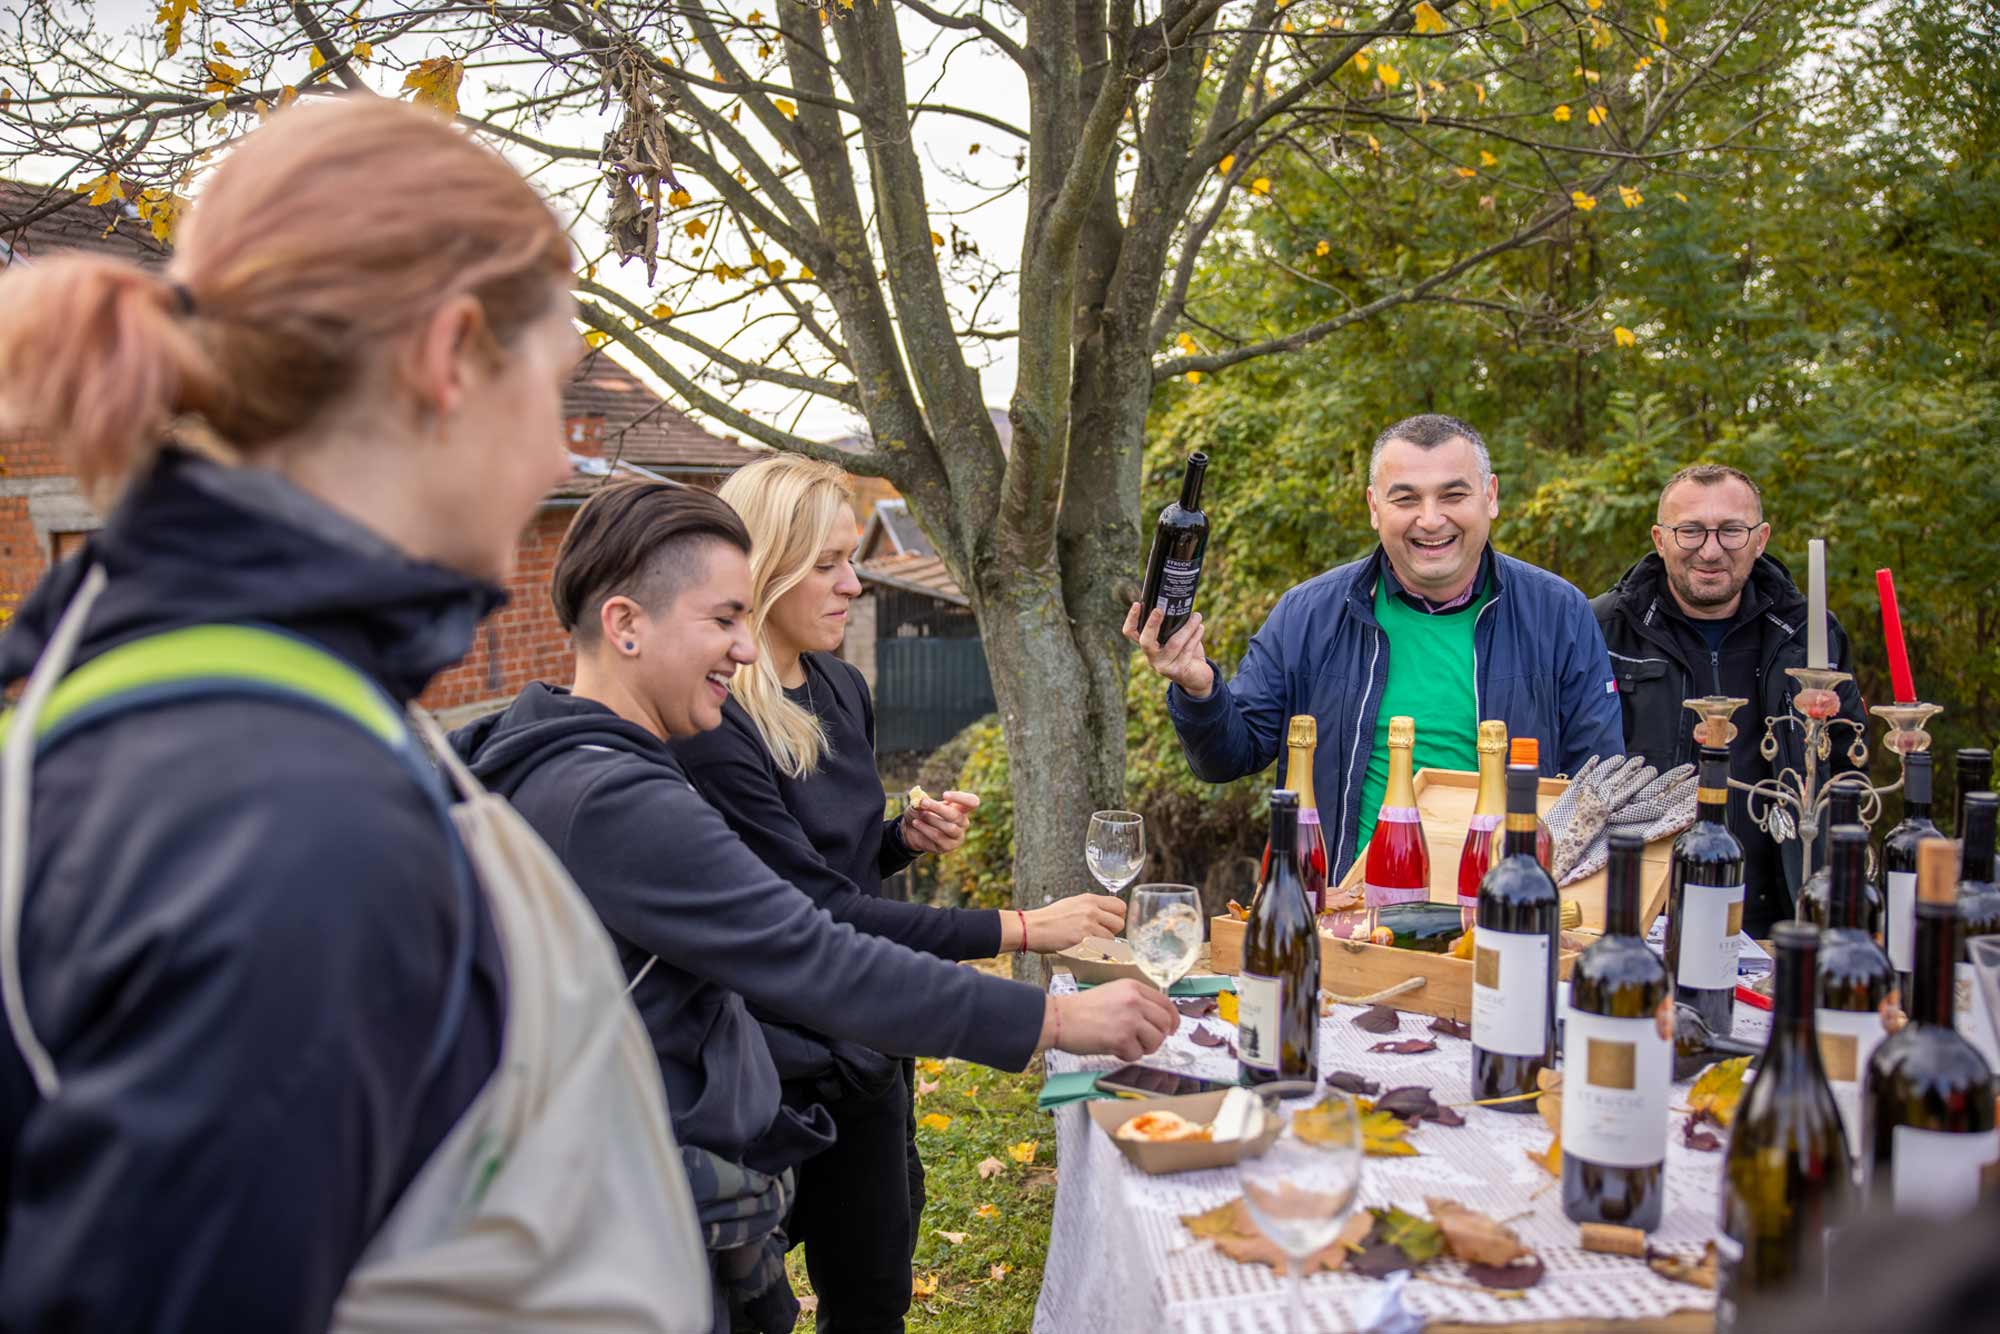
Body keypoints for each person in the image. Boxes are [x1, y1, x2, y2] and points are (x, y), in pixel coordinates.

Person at [0, 98, 645, 1330]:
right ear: (450, 355)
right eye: (552, 383)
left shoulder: (198, 695)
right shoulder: (290, 825)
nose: (562, 462)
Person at [451, 480, 1176, 1328]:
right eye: (723, 621)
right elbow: (812, 948)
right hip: (631, 1204)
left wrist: (899, 841)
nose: (745, 649)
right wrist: (1051, 1022)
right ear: (625, 625)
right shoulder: (617, 800)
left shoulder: (554, 752)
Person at [670, 454, 1126, 1332]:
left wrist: (895, 840)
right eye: (829, 564)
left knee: (875, 1286)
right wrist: (1020, 927)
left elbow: (831, 868)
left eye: (852, 558)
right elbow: (809, 915)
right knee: (748, 1301)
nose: (854, 583)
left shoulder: (840, 685)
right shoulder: (717, 722)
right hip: (768, 1059)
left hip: (868, 1038)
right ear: (763, 569)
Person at [1127, 412, 1623, 879]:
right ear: (1374, 507)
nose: (1430, 520)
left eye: (1452, 495)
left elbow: (1597, 787)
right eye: (1406, 499)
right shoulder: (1308, 613)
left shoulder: (1560, 613)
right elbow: (1227, 758)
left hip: (1506, 914)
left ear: (1490, 497)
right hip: (1347, 919)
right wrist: (1199, 689)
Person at [1593, 463, 1865, 934]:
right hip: (1637, 910)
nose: (1711, 550)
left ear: (1760, 539)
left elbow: (1844, 769)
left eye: (1731, 531)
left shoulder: (1807, 634)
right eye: (1691, 531)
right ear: (1660, 540)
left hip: (1776, 915)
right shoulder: (1602, 628)